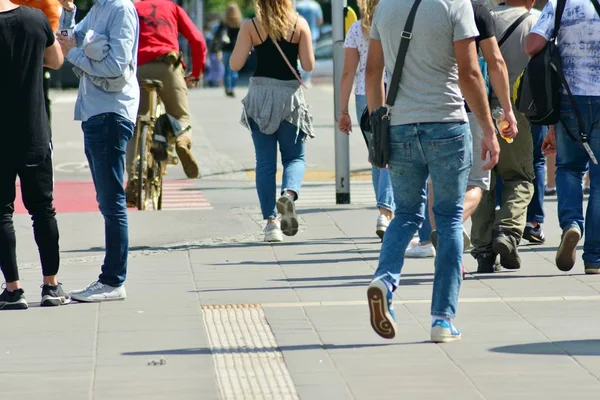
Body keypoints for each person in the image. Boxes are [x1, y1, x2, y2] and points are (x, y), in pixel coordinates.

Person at [365, 0, 500, 343]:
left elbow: (372, 73)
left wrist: (380, 123)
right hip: (447, 126)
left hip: (400, 127)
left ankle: (384, 279)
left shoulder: (386, 8)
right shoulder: (454, 4)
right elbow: (470, 73)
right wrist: (487, 127)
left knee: (406, 214)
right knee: (450, 218)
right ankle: (442, 319)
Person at [57, 0, 139, 302]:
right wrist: (68, 12)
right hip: (95, 111)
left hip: (111, 112)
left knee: (112, 200)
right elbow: (65, 37)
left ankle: (113, 280)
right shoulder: (99, 8)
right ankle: (111, 279)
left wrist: (77, 54)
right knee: (108, 200)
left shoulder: (120, 9)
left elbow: (116, 67)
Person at [427, 1, 517, 272]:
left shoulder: (425, 8)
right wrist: (507, 109)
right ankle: (449, 230)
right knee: (477, 182)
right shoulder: (477, 10)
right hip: (470, 108)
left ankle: (448, 255)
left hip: (431, 107)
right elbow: (495, 61)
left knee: (436, 184)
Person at [0, 0, 67, 309]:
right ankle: (51, 286)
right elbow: (55, 61)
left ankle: (13, 289)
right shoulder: (35, 18)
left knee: (1, 213)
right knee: (42, 210)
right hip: (33, 129)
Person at [525, 0, 600, 274]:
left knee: (568, 168)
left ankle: (571, 225)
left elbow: (532, 45)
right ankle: (594, 259)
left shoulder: (561, 3)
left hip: (570, 98)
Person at [230, 0, 314, 242]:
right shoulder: (300, 24)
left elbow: (235, 64)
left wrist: (248, 49)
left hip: (260, 97)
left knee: (265, 164)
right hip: (289, 97)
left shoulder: (251, 27)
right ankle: (288, 195)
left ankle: (271, 224)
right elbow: (308, 64)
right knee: (295, 157)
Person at [469, 0, 538, 272]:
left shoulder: (480, 17)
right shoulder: (535, 22)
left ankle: (484, 252)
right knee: (520, 176)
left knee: (482, 181)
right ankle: (507, 233)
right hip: (515, 110)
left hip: (479, 108)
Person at [125, 0, 207, 199]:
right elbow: (198, 41)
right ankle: (181, 142)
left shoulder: (133, 9)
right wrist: (196, 73)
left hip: (139, 68)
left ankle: (134, 180)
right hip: (168, 66)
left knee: (136, 126)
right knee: (181, 117)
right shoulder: (172, 8)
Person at [338, 0, 395, 239]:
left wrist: (343, 111)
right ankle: (385, 211)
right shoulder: (393, 22)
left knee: (377, 154)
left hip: (364, 95)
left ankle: (383, 211)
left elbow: (348, 72)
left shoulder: (355, 30)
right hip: (392, 91)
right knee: (391, 155)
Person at [10, 0, 61, 123]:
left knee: (39, 97)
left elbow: (52, 31)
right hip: (14, 51)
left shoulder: (47, 3)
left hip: (37, 54)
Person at [213, 2, 242, 97]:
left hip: (225, 49)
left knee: (226, 69)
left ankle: (227, 88)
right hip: (237, 49)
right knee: (234, 70)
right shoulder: (239, 23)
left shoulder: (224, 23)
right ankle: (232, 87)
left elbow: (217, 35)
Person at [295, 0, 322, 85]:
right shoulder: (316, 5)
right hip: (312, 34)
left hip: (298, 34)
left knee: (297, 58)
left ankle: (298, 77)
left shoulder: (298, 5)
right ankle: (307, 80)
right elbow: (320, 21)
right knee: (309, 57)